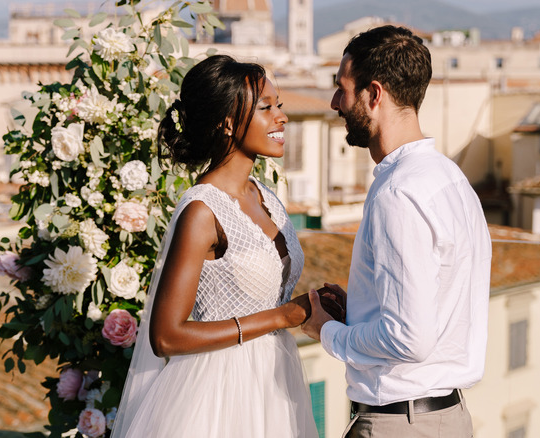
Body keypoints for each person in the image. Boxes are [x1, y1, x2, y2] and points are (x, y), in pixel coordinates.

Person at [110, 55, 337, 438]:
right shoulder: (202, 210)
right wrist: (282, 317)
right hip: (216, 393)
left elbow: (258, 295)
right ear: (228, 123)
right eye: (266, 108)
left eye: (278, 105)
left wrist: (313, 304)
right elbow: (166, 335)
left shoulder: (267, 196)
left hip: (275, 382)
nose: (281, 117)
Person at [301, 26, 492, 438]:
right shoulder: (451, 179)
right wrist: (363, 308)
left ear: (374, 95)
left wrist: (327, 331)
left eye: (342, 88)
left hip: (401, 424)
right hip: (443, 419)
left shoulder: (398, 192)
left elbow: (410, 338)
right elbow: (431, 307)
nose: (335, 102)